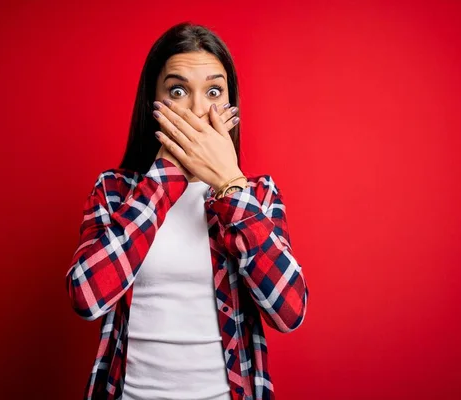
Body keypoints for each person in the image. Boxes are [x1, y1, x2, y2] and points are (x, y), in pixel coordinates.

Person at [65, 21, 310, 400]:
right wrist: (164, 180)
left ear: (231, 106)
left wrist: (229, 182)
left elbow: (289, 312)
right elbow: (86, 298)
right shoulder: (114, 191)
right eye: (178, 90)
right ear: (154, 105)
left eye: (214, 91)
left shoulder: (257, 197)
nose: (198, 110)